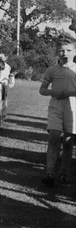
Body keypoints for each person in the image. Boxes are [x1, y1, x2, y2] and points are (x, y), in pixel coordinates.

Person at [38, 39, 76, 186]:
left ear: (75, 52)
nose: (64, 53)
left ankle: (64, 173)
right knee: (54, 137)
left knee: (68, 141)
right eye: (61, 50)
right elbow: (42, 89)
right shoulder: (52, 70)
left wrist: (69, 92)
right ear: (58, 52)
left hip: (73, 108)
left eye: (68, 50)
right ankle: (49, 173)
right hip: (55, 106)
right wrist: (52, 92)